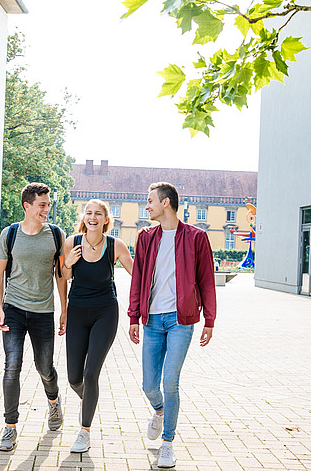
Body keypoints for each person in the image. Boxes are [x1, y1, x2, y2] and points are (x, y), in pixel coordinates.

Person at [128, 182, 217, 468]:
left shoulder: (196, 237)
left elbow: (206, 279)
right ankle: (159, 411)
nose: (147, 206)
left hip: (182, 320)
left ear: (166, 202)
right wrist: (133, 316)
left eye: (151, 200)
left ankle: (168, 443)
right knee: (149, 385)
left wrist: (209, 320)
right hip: (152, 320)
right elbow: (138, 278)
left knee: (170, 382)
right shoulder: (146, 237)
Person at [0, 182, 67, 451]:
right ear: (27, 205)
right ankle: (10, 427)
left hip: (43, 312)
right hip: (13, 309)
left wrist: (64, 311)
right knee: (12, 366)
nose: (47, 209)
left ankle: (54, 402)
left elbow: (61, 276)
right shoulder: (10, 234)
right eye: (42, 205)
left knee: (44, 368)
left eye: (48, 205)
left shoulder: (56, 235)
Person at [59, 199, 134, 453]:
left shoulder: (115, 245)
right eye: (89, 213)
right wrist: (67, 262)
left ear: (105, 219)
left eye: (98, 214)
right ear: (84, 217)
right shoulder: (72, 242)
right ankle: (88, 398)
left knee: (91, 373)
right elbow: (64, 276)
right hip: (78, 312)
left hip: (105, 313)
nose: (92, 217)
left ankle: (84, 431)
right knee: (73, 377)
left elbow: (139, 275)